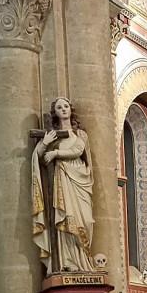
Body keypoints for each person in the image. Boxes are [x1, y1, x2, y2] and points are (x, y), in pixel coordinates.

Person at [32, 97, 97, 274]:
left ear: (71, 109)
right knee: (65, 219)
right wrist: (45, 143)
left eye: (66, 106)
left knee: (87, 220)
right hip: (63, 179)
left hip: (80, 178)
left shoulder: (81, 134)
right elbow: (38, 155)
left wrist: (55, 153)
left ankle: (85, 262)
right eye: (59, 107)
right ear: (55, 112)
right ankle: (67, 262)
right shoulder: (53, 135)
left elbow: (78, 150)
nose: (63, 109)